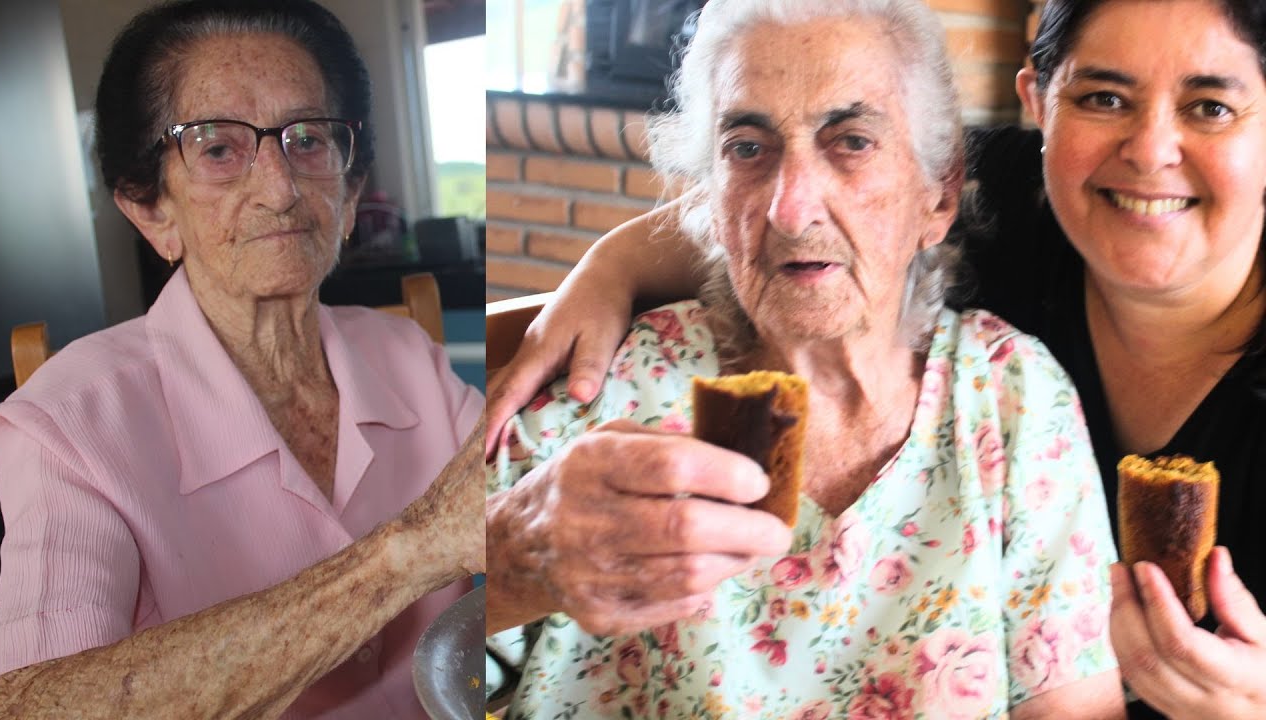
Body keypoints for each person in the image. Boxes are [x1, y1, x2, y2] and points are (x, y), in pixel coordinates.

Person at [484, 0, 1266, 717]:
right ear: (706, 197)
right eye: (747, 147)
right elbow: (407, 651)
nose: (791, 206)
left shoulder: (1013, 399)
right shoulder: (600, 387)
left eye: (851, 142)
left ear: (941, 196)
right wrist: (516, 561)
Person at [0, 1, 482, 717]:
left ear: (348, 194)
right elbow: (27, 708)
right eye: (219, 149)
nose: (280, 188)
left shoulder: (407, 355)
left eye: (308, 139)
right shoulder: (69, 427)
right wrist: (409, 552)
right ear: (150, 208)